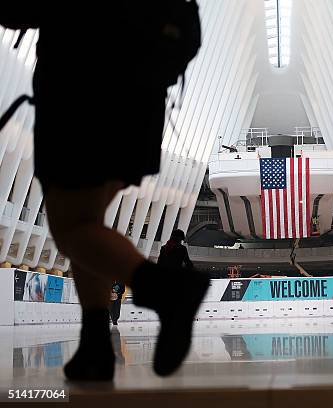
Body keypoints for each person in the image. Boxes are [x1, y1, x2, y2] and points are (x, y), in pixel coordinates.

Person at [0, 2, 209, 381]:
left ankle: (166, 292)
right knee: (86, 220)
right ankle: (94, 344)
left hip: (80, 91)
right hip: (139, 101)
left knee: (71, 227)